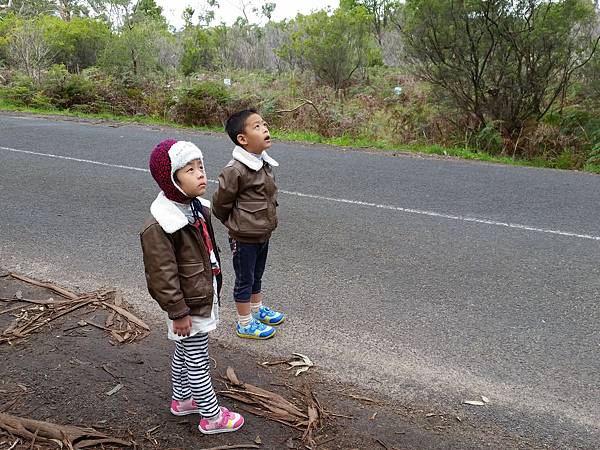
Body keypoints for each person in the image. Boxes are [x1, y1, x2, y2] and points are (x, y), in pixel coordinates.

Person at [140, 139, 244, 434]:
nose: (201, 174)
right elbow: (161, 274)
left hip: (199, 294)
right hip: (187, 302)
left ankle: (182, 399)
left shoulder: (196, 208)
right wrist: (178, 311)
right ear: (171, 179)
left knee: (185, 351)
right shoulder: (161, 224)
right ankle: (212, 416)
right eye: (189, 169)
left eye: (201, 167)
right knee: (197, 356)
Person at [212, 109, 285, 340]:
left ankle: (257, 308)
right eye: (256, 126)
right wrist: (235, 224)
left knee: (257, 274)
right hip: (244, 236)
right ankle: (244, 323)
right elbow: (220, 203)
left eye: (264, 124)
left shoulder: (263, 162)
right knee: (245, 278)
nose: (265, 128)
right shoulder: (235, 170)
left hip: (262, 233)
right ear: (242, 139)